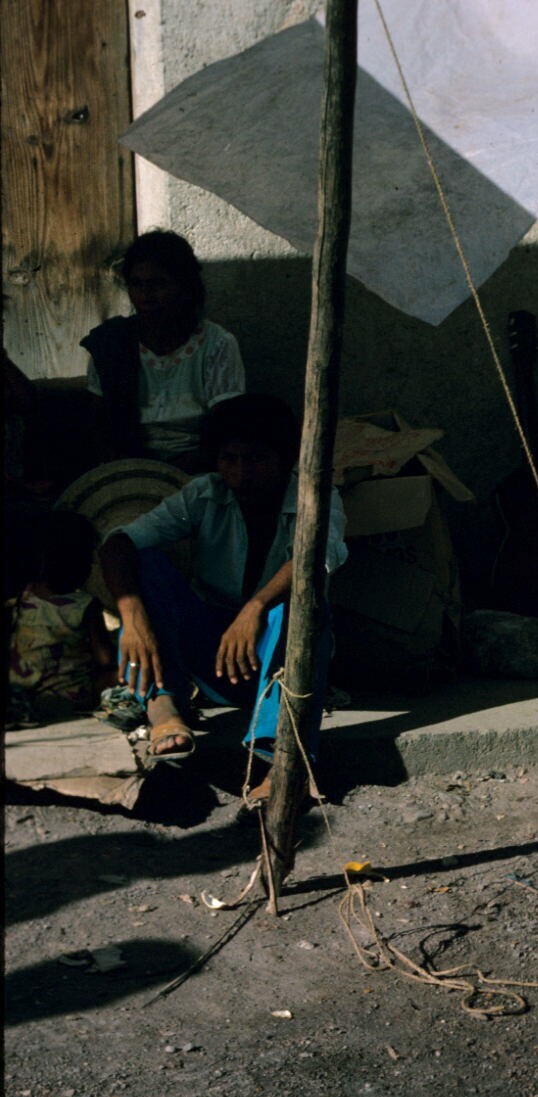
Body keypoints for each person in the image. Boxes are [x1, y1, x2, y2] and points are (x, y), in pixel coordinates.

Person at [98, 394, 344, 782]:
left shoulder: (316, 497)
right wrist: (132, 617)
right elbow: (119, 542)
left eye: (257, 459)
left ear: (285, 459)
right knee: (147, 563)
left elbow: (316, 559)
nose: (242, 473)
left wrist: (255, 608)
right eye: (230, 459)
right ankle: (164, 707)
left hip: (278, 662)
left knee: (303, 603)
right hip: (213, 656)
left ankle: (275, 754)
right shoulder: (204, 494)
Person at [82, 230, 246, 470]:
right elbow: (97, 426)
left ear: (184, 287)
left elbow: (225, 431)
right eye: (136, 284)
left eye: (157, 284)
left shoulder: (217, 344)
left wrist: (176, 471)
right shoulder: (112, 342)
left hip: (196, 467)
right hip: (131, 466)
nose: (145, 296)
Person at [8, 511, 113, 725]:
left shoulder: (21, 598)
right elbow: (105, 659)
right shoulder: (85, 605)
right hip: (70, 700)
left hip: (22, 698)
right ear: (80, 562)